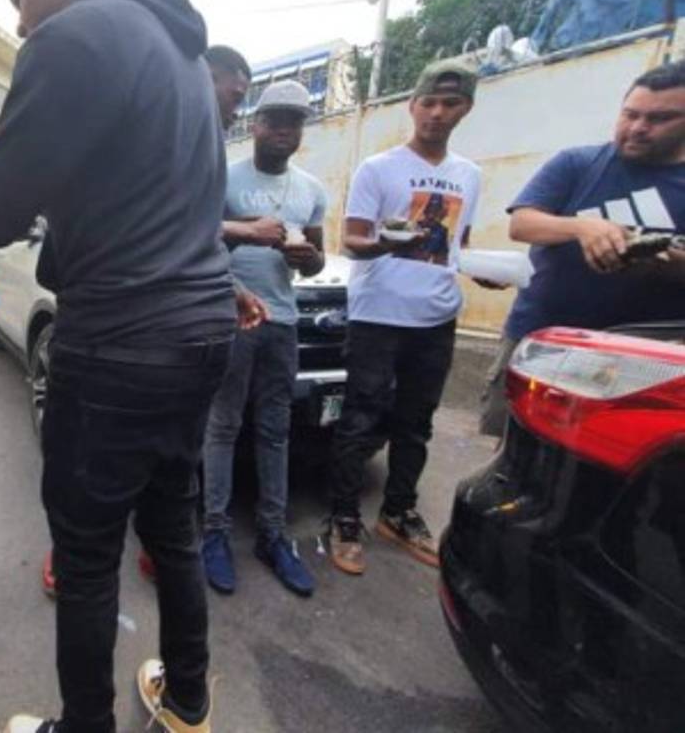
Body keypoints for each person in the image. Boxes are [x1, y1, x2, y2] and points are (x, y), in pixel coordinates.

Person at [0, 0, 236, 733]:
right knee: (170, 521)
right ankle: (187, 699)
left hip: (121, 341)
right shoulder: (179, 56)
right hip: (202, 329)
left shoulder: (75, 38)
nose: (21, 22)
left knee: (89, 551)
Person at [41, 41, 258, 597]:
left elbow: (191, 243)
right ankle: (75, 550)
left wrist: (226, 287)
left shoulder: (200, 151)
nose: (235, 111)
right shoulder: (140, 128)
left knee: (156, 476)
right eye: (232, 95)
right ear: (197, 77)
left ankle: (150, 546)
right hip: (104, 334)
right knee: (87, 484)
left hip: (173, 341)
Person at [326, 59, 491, 577]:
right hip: (378, 315)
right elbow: (350, 241)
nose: (438, 113)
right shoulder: (379, 169)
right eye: (429, 103)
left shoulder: (469, 175)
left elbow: (459, 248)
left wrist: (485, 273)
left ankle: (398, 512)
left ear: (465, 109)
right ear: (412, 105)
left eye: (451, 104)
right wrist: (383, 243)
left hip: (437, 316)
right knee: (360, 420)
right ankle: (344, 518)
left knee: (416, 424)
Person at [479, 59, 685, 437]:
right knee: (515, 450)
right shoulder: (577, 163)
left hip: (640, 360)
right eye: (630, 114)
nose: (638, 128)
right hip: (542, 341)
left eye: (660, 119)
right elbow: (522, 224)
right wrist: (581, 227)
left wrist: (664, 264)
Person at [201, 80, 327, 598]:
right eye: (274, 119)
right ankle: (214, 533)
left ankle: (273, 536)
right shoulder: (224, 178)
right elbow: (197, 238)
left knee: (276, 429)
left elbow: (318, 257)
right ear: (255, 124)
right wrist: (244, 230)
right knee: (224, 424)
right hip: (229, 317)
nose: (283, 130)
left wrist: (308, 259)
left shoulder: (311, 190)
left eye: (294, 122)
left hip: (283, 321)